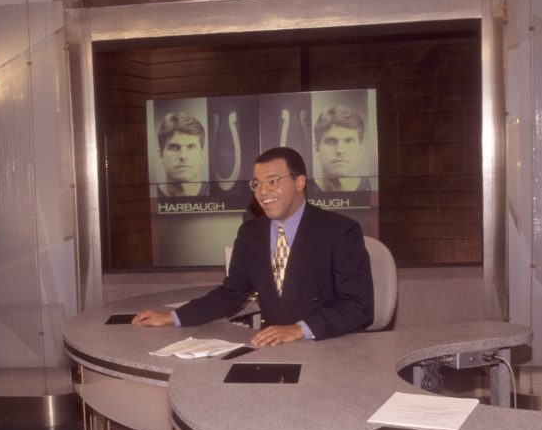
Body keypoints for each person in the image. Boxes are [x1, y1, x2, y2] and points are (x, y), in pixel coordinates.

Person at [134, 146, 373, 344]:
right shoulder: (250, 233)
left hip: (329, 346)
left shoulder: (339, 231)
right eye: (257, 184)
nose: (263, 191)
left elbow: (358, 306)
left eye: (273, 181)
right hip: (275, 350)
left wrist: (299, 329)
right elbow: (230, 294)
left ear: (300, 182)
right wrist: (172, 317)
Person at [312, 105, 371, 193]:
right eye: (331, 141)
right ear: (317, 150)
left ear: (361, 150)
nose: (340, 150)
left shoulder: (374, 189)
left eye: (349, 141)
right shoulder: (302, 193)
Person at [155, 112, 209, 197]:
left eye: (191, 147)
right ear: (161, 155)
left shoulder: (219, 194)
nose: (183, 156)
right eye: (174, 147)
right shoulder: (149, 196)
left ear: (202, 156)